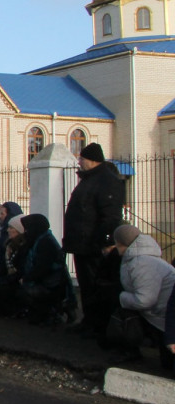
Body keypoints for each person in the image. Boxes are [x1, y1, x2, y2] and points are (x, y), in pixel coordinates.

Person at [62, 142, 125, 338]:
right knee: (86, 285)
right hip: (82, 244)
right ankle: (89, 321)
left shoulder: (107, 181)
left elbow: (110, 216)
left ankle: (99, 325)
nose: (79, 162)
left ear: (92, 160)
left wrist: (105, 243)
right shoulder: (90, 180)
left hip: (93, 245)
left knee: (96, 286)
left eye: (82, 158)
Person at [114, 224, 175, 370]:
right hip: (164, 313)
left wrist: (122, 297)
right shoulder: (140, 259)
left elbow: (145, 300)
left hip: (161, 315)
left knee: (124, 315)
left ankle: (132, 349)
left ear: (122, 244)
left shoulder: (141, 263)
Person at [12, 214, 72, 325]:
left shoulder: (45, 242)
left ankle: (46, 314)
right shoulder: (38, 239)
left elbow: (43, 268)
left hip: (51, 284)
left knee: (22, 291)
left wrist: (26, 278)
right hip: (47, 281)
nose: (25, 232)